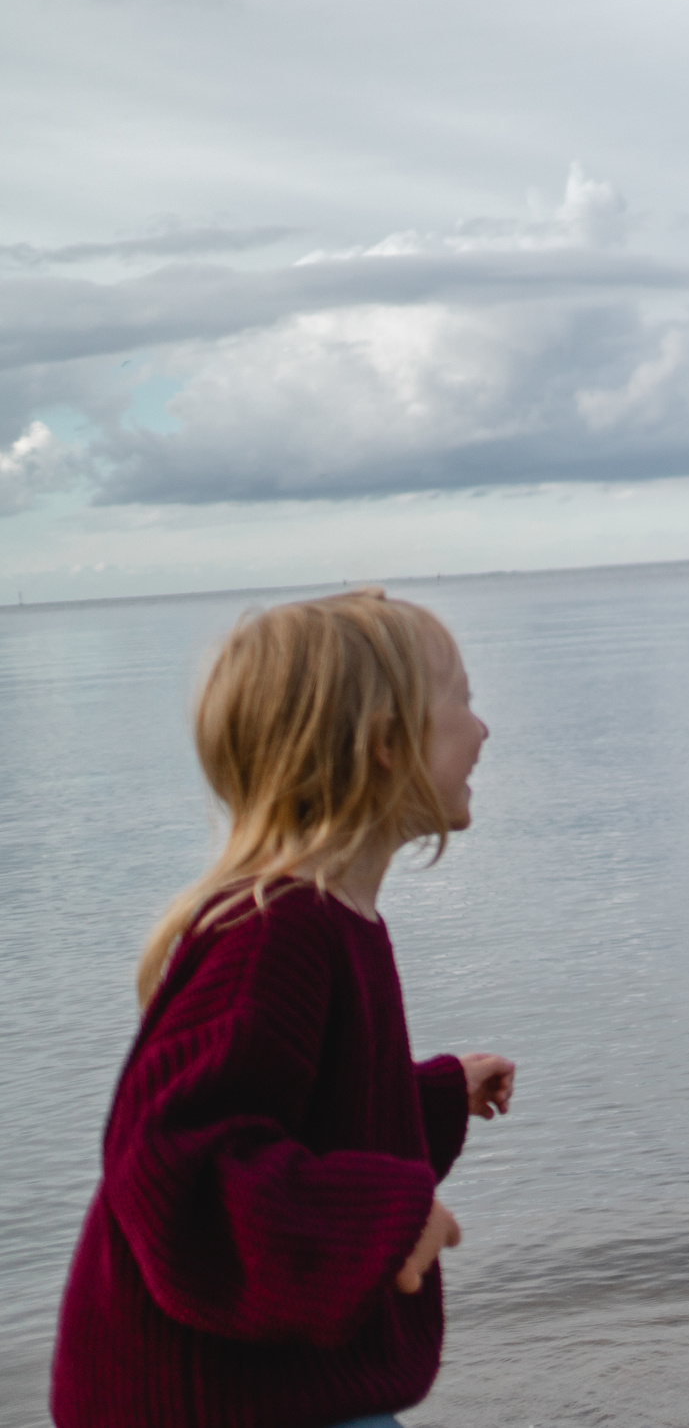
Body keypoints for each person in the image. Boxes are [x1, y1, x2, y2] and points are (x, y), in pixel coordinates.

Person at [53, 589, 512, 1428]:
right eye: (464, 703)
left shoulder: (330, 914)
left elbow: (294, 1114)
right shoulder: (280, 929)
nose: (483, 730)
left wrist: (430, 1096)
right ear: (385, 744)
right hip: (214, 1404)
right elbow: (174, 1161)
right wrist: (382, 1214)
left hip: (265, 1390)